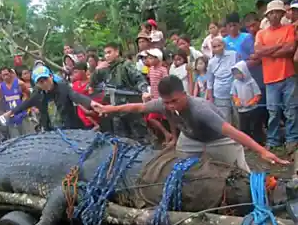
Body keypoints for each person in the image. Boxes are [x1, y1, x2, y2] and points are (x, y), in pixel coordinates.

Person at [94, 75, 289, 172]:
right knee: (180, 168)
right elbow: (137, 108)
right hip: (190, 139)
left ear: (184, 94)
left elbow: (232, 132)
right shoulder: (164, 104)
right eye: (167, 102)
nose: (170, 106)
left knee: (242, 173)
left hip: (219, 140)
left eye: (175, 101)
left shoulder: (200, 109)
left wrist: (262, 151)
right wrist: (109, 109)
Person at [255, 0, 298, 153]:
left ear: (282, 14)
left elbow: (291, 48)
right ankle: (273, 140)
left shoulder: (289, 29)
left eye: (277, 12)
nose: (274, 15)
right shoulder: (261, 33)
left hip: (288, 75)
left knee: (291, 110)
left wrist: (269, 51)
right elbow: (258, 52)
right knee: (273, 111)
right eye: (271, 13)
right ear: (268, 15)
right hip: (270, 78)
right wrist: (280, 46)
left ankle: (292, 139)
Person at [3, 65, 99, 131]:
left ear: (51, 77)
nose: (44, 83)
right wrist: (10, 113)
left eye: (45, 79)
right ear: (37, 84)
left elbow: (76, 96)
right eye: (40, 82)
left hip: (71, 128)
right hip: (51, 131)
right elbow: (24, 104)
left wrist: (92, 103)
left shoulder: (63, 87)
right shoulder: (38, 94)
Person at [90, 42, 151, 142]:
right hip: (115, 109)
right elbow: (92, 84)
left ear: (117, 52)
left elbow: (139, 79)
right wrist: (97, 70)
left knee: (140, 136)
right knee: (121, 139)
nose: (107, 55)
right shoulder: (104, 69)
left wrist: (144, 91)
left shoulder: (126, 65)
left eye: (109, 52)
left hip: (131, 105)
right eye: (105, 53)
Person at [231, 61, 265, 145]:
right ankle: (246, 142)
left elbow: (257, 94)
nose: (236, 76)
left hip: (253, 109)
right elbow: (234, 94)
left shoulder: (251, 81)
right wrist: (236, 101)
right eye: (234, 74)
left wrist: (252, 102)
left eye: (238, 73)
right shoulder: (235, 83)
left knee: (256, 125)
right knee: (244, 127)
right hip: (242, 110)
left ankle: (258, 141)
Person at [206, 37, 239, 122]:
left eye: (219, 45)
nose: (217, 48)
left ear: (223, 45)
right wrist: (211, 99)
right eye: (214, 46)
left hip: (235, 91)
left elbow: (240, 71)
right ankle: (228, 136)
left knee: (238, 117)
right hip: (220, 93)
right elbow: (210, 82)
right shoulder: (211, 62)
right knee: (225, 119)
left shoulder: (233, 54)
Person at [144, 48, 172, 144]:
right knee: (151, 118)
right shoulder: (150, 70)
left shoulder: (163, 70)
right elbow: (151, 83)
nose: (149, 60)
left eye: (151, 58)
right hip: (154, 98)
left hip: (162, 98)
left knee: (167, 118)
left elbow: (166, 83)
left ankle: (171, 136)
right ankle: (166, 134)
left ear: (158, 59)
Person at [0, 67, 34, 138]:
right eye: (3, 75)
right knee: (16, 139)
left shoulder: (19, 83)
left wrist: (26, 106)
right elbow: (1, 101)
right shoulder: (0, 87)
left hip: (22, 114)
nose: (5, 77)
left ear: (11, 74)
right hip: (11, 117)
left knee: (30, 136)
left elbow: (28, 95)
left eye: (7, 74)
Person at [71, 62, 100, 130]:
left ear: (83, 71)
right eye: (73, 72)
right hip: (81, 118)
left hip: (92, 118)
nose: (74, 75)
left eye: (76, 72)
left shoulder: (91, 83)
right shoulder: (75, 85)